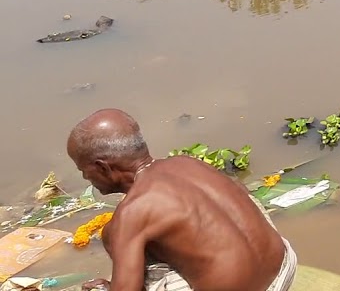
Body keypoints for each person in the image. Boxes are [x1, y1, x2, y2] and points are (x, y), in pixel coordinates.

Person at [66, 109, 298, 291]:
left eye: (83, 170)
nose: (86, 178)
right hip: (284, 266)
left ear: (103, 167)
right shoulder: (190, 163)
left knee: (117, 238)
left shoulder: (133, 211)